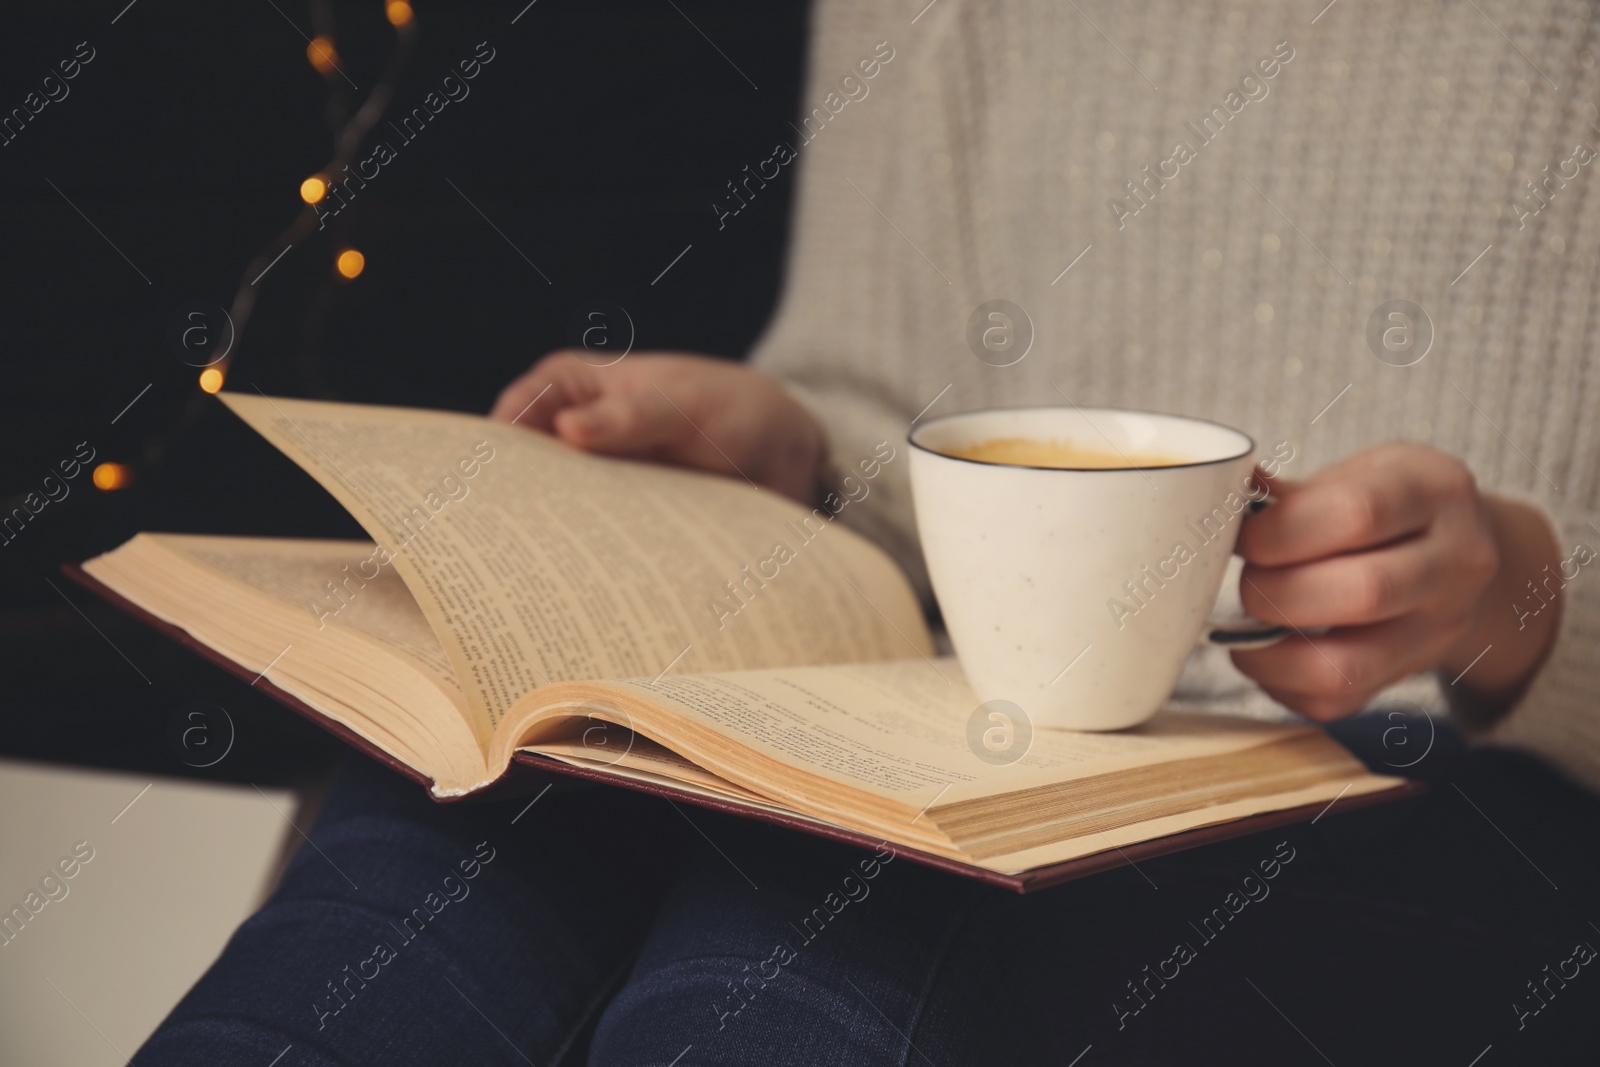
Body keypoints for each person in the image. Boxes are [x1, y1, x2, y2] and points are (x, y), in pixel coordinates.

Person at [138, 2, 1600, 1063]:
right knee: (455, 819)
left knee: (800, 932)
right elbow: (881, 400)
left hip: (1450, 781)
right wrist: (793, 442)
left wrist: (1518, 593)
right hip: (953, 696)